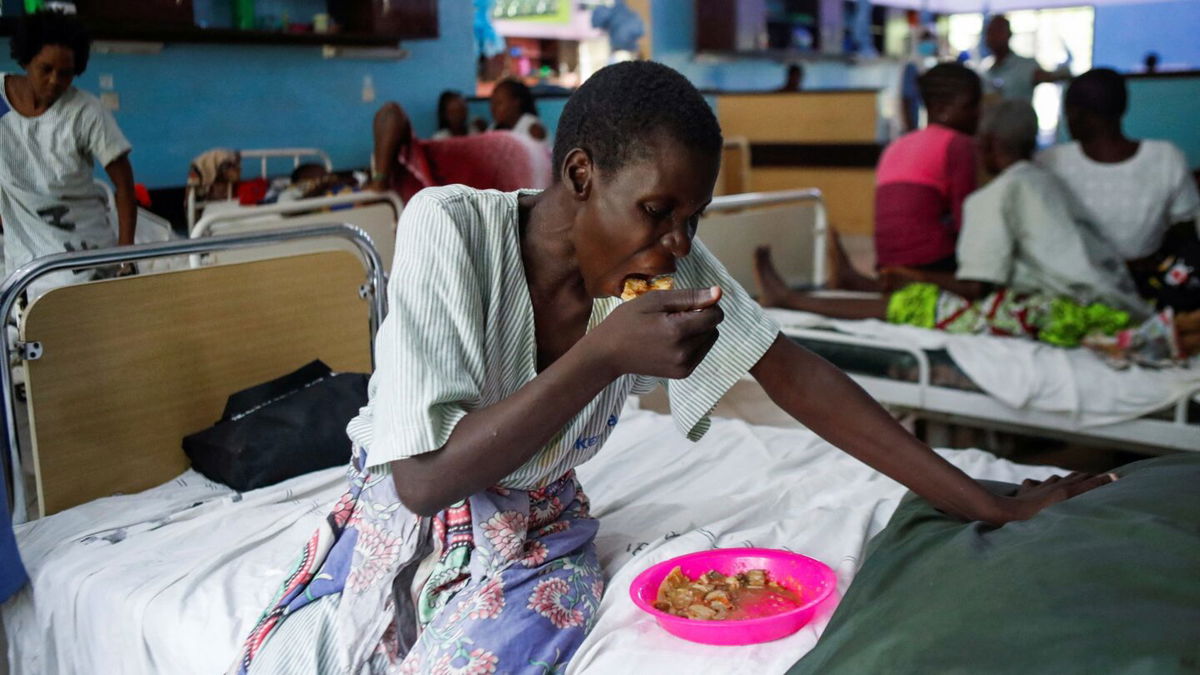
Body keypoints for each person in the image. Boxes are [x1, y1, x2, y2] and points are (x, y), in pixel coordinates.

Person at [232, 61, 1115, 675]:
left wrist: (985, 499)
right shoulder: (448, 228)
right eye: (659, 211)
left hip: (537, 535)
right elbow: (424, 480)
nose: (678, 242)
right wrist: (602, 355)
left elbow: (794, 374)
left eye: (693, 218)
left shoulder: (657, 257)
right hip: (411, 518)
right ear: (580, 174)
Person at [755, 99, 1200, 364]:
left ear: (987, 145)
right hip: (1112, 304)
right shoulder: (1044, 179)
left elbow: (973, 287)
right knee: (920, 288)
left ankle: (792, 298)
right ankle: (853, 284)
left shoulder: (999, 194)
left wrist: (915, 275)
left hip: (1067, 312)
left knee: (917, 302)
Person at [1037, 69, 1200, 311]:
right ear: (1123, 109)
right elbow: (1186, 232)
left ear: (1074, 113)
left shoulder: (1051, 162)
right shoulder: (1166, 157)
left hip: (1070, 293)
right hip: (1149, 291)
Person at [0, 10, 137, 289]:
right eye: (45, 69)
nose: (54, 81)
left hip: (86, 254)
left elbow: (124, 188)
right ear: (26, 60)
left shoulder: (86, 113)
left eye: (65, 74)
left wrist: (127, 257)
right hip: (26, 258)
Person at [873, 62, 980, 279]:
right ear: (941, 108)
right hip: (931, 263)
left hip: (886, 261)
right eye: (971, 106)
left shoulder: (896, 145)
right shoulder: (959, 144)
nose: (979, 114)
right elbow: (966, 219)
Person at [369, 100, 552, 201]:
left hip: (520, 160)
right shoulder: (438, 143)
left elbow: (390, 111)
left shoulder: (416, 155)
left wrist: (379, 181)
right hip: (525, 159)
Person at [979, 15, 1068, 104]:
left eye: (998, 31)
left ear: (1009, 34)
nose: (993, 37)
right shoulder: (984, 69)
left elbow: (1052, 77)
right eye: (990, 32)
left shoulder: (1026, 65)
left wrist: (1064, 74)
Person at [489, 77, 547, 143]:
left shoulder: (534, 130)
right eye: (492, 102)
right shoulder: (494, 127)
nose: (493, 107)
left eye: (499, 103)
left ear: (516, 103)